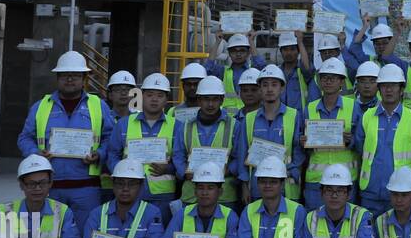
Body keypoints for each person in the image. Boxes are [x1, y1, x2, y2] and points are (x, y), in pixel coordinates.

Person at [18, 50, 114, 223]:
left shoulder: (99, 106)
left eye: (75, 75)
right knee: (50, 236)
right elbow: (24, 138)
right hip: (50, 187)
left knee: (86, 234)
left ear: (84, 78)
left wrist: (99, 154)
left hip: (87, 186)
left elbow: (110, 138)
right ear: (57, 78)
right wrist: (35, 153)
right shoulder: (40, 107)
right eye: (65, 75)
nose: (70, 79)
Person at [105, 72, 178, 224]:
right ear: (141, 96)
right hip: (130, 193)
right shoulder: (124, 124)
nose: (154, 99)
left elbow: (181, 159)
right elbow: (112, 155)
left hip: (162, 195)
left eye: (160, 95)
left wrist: (168, 169)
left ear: (166, 99)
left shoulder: (177, 126)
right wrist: (121, 173)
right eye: (150, 94)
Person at [233, 64, 304, 203]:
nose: (269, 89)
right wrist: (245, 186)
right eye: (265, 85)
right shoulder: (249, 119)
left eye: (274, 84)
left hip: (286, 186)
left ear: (282, 88)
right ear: (260, 89)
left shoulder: (294, 115)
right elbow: (242, 154)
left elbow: (298, 152)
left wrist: (292, 171)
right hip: (257, 187)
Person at [352, 63, 411, 214]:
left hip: (400, 191)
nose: (389, 90)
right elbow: (360, 147)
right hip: (370, 190)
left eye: (393, 85)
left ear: (401, 90)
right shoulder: (367, 116)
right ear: (379, 89)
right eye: (385, 85)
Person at [171, 75, 241, 213]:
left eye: (215, 99)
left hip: (224, 197)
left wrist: (228, 170)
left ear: (222, 100)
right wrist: (185, 172)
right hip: (191, 195)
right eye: (206, 99)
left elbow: (239, 156)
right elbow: (178, 155)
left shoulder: (235, 126)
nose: (210, 104)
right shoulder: (185, 126)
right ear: (199, 100)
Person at [302, 57, 360, 209]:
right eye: (324, 78)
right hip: (316, 181)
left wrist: (351, 140)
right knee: (315, 223)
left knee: (345, 226)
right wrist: (302, 142)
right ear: (320, 81)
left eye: (333, 78)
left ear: (342, 82)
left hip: (345, 181)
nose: (328, 81)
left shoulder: (353, 107)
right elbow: (300, 145)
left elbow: (362, 141)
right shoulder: (309, 109)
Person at [207, 33, 266, 113]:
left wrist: (251, 42)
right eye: (234, 51)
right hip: (228, 120)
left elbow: (262, 66)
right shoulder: (223, 71)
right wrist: (217, 42)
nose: (238, 54)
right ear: (229, 53)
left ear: (248, 52)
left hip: (250, 117)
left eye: (242, 50)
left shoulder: (253, 72)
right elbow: (208, 68)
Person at [273, 31, 314, 110]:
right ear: (280, 51)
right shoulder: (277, 72)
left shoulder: (302, 70)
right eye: (285, 49)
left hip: (299, 118)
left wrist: (300, 42)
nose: (289, 53)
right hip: (280, 118)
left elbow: (307, 68)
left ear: (298, 51)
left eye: (292, 49)